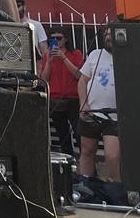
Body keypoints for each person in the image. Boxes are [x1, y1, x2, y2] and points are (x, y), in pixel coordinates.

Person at [78, 27, 119, 182]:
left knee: (112, 156)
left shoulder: (126, 57)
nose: (108, 37)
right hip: (92, 112)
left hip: (115, 115)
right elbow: (82, 80)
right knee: (87, 151)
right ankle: (85, 186)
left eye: (111, 34)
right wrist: (83, 103)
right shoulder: (95, 54)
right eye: (106, 34)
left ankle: (118, 189)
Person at [40, 29, 85, 157]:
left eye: (58, 38)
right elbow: (44, 79)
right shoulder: (47, 56)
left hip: (73, 98)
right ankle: (68, 162)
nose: (56, 41)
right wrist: (49, 61)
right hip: (56, 99)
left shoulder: (75, 53)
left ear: (65, 39)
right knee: (62, 134)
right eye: (52, 39)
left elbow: (78, 75)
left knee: (78, 132)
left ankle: (83, 160)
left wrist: (64, 58)